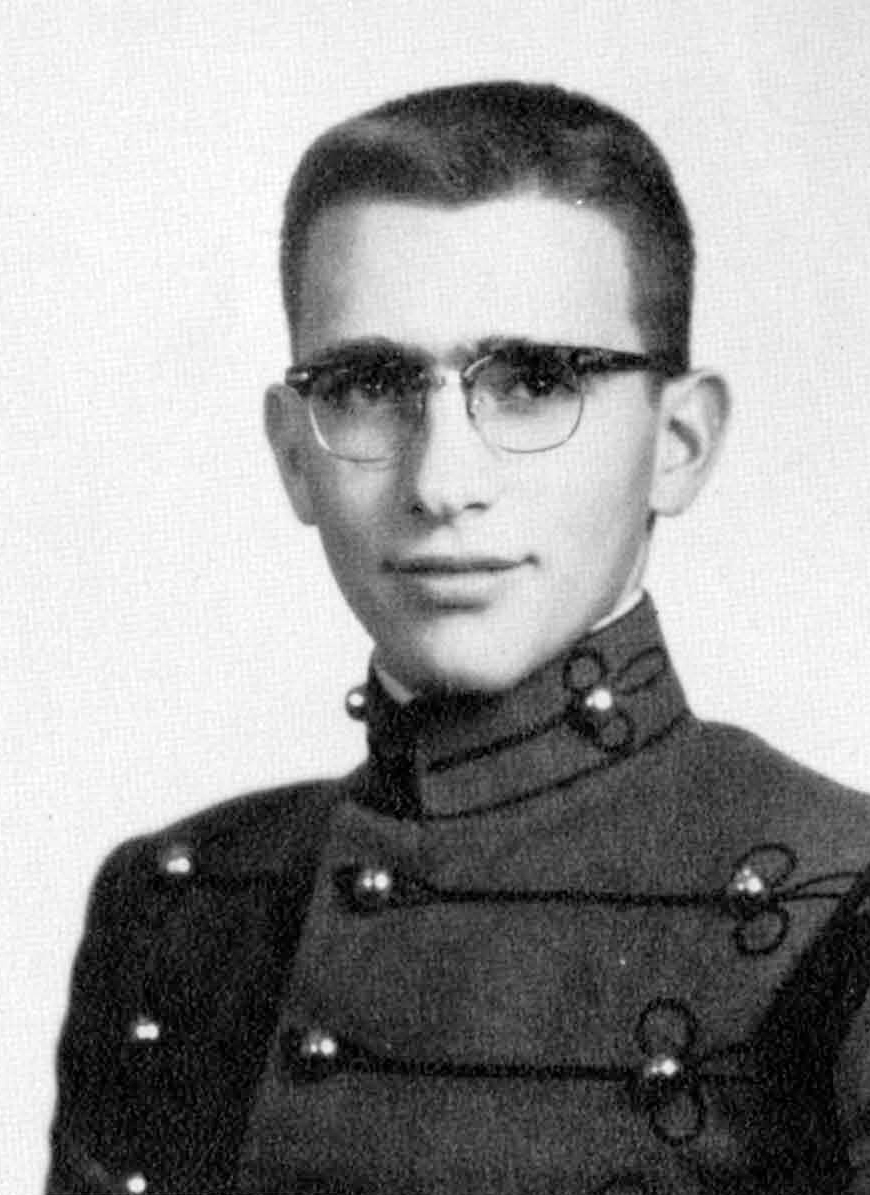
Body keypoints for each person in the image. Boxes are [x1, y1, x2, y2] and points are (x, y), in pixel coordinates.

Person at [47, 80, 870, 1195]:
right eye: (368, 384)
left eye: (534, 383)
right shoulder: (177, 903)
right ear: (293, 453)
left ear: (679, 442)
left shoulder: (833, 896)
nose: (441, 482)